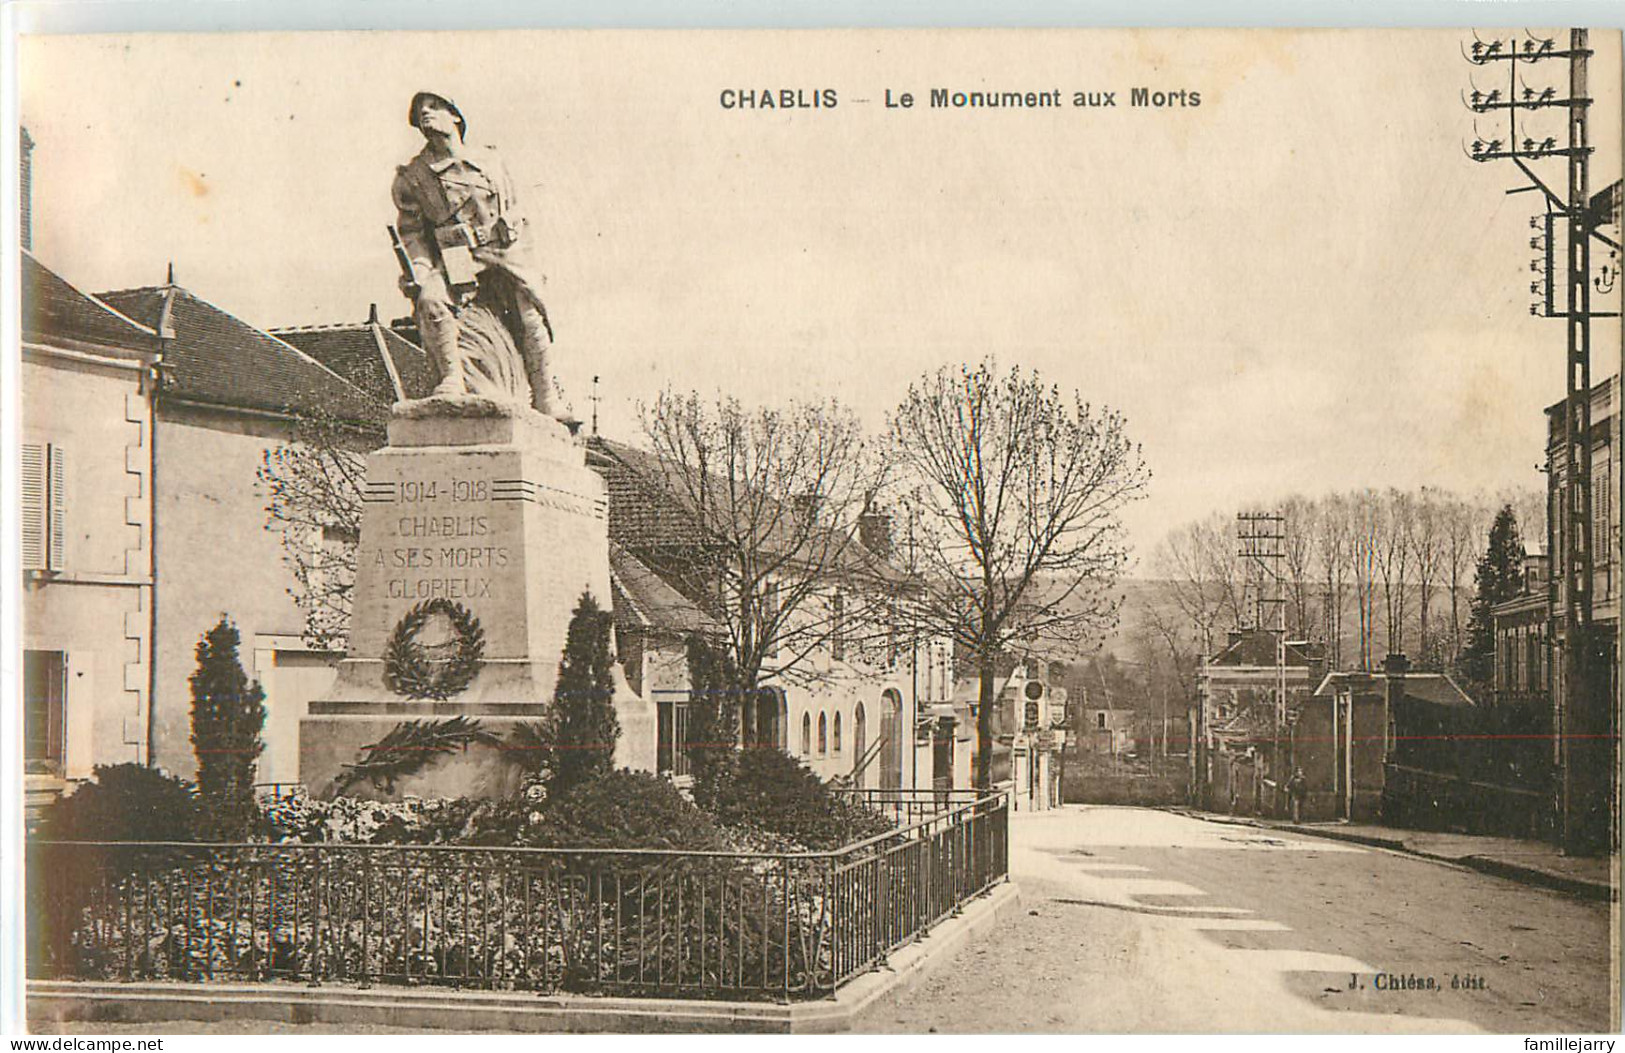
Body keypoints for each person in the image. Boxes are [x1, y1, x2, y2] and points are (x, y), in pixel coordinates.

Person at [392, 91, 555, 413]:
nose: (426, 113)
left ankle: (547, 396)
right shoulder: (414, 176)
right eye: (420, 111)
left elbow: (522, 201)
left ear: (456, 115)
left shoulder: (492, 160)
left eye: (434, 106)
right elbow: (412, 234)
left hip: (505, 250)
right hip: (457, 256)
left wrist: (514, 219)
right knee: (431, 299)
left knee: (530, 310)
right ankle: (452, 379)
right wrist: (421, 272)